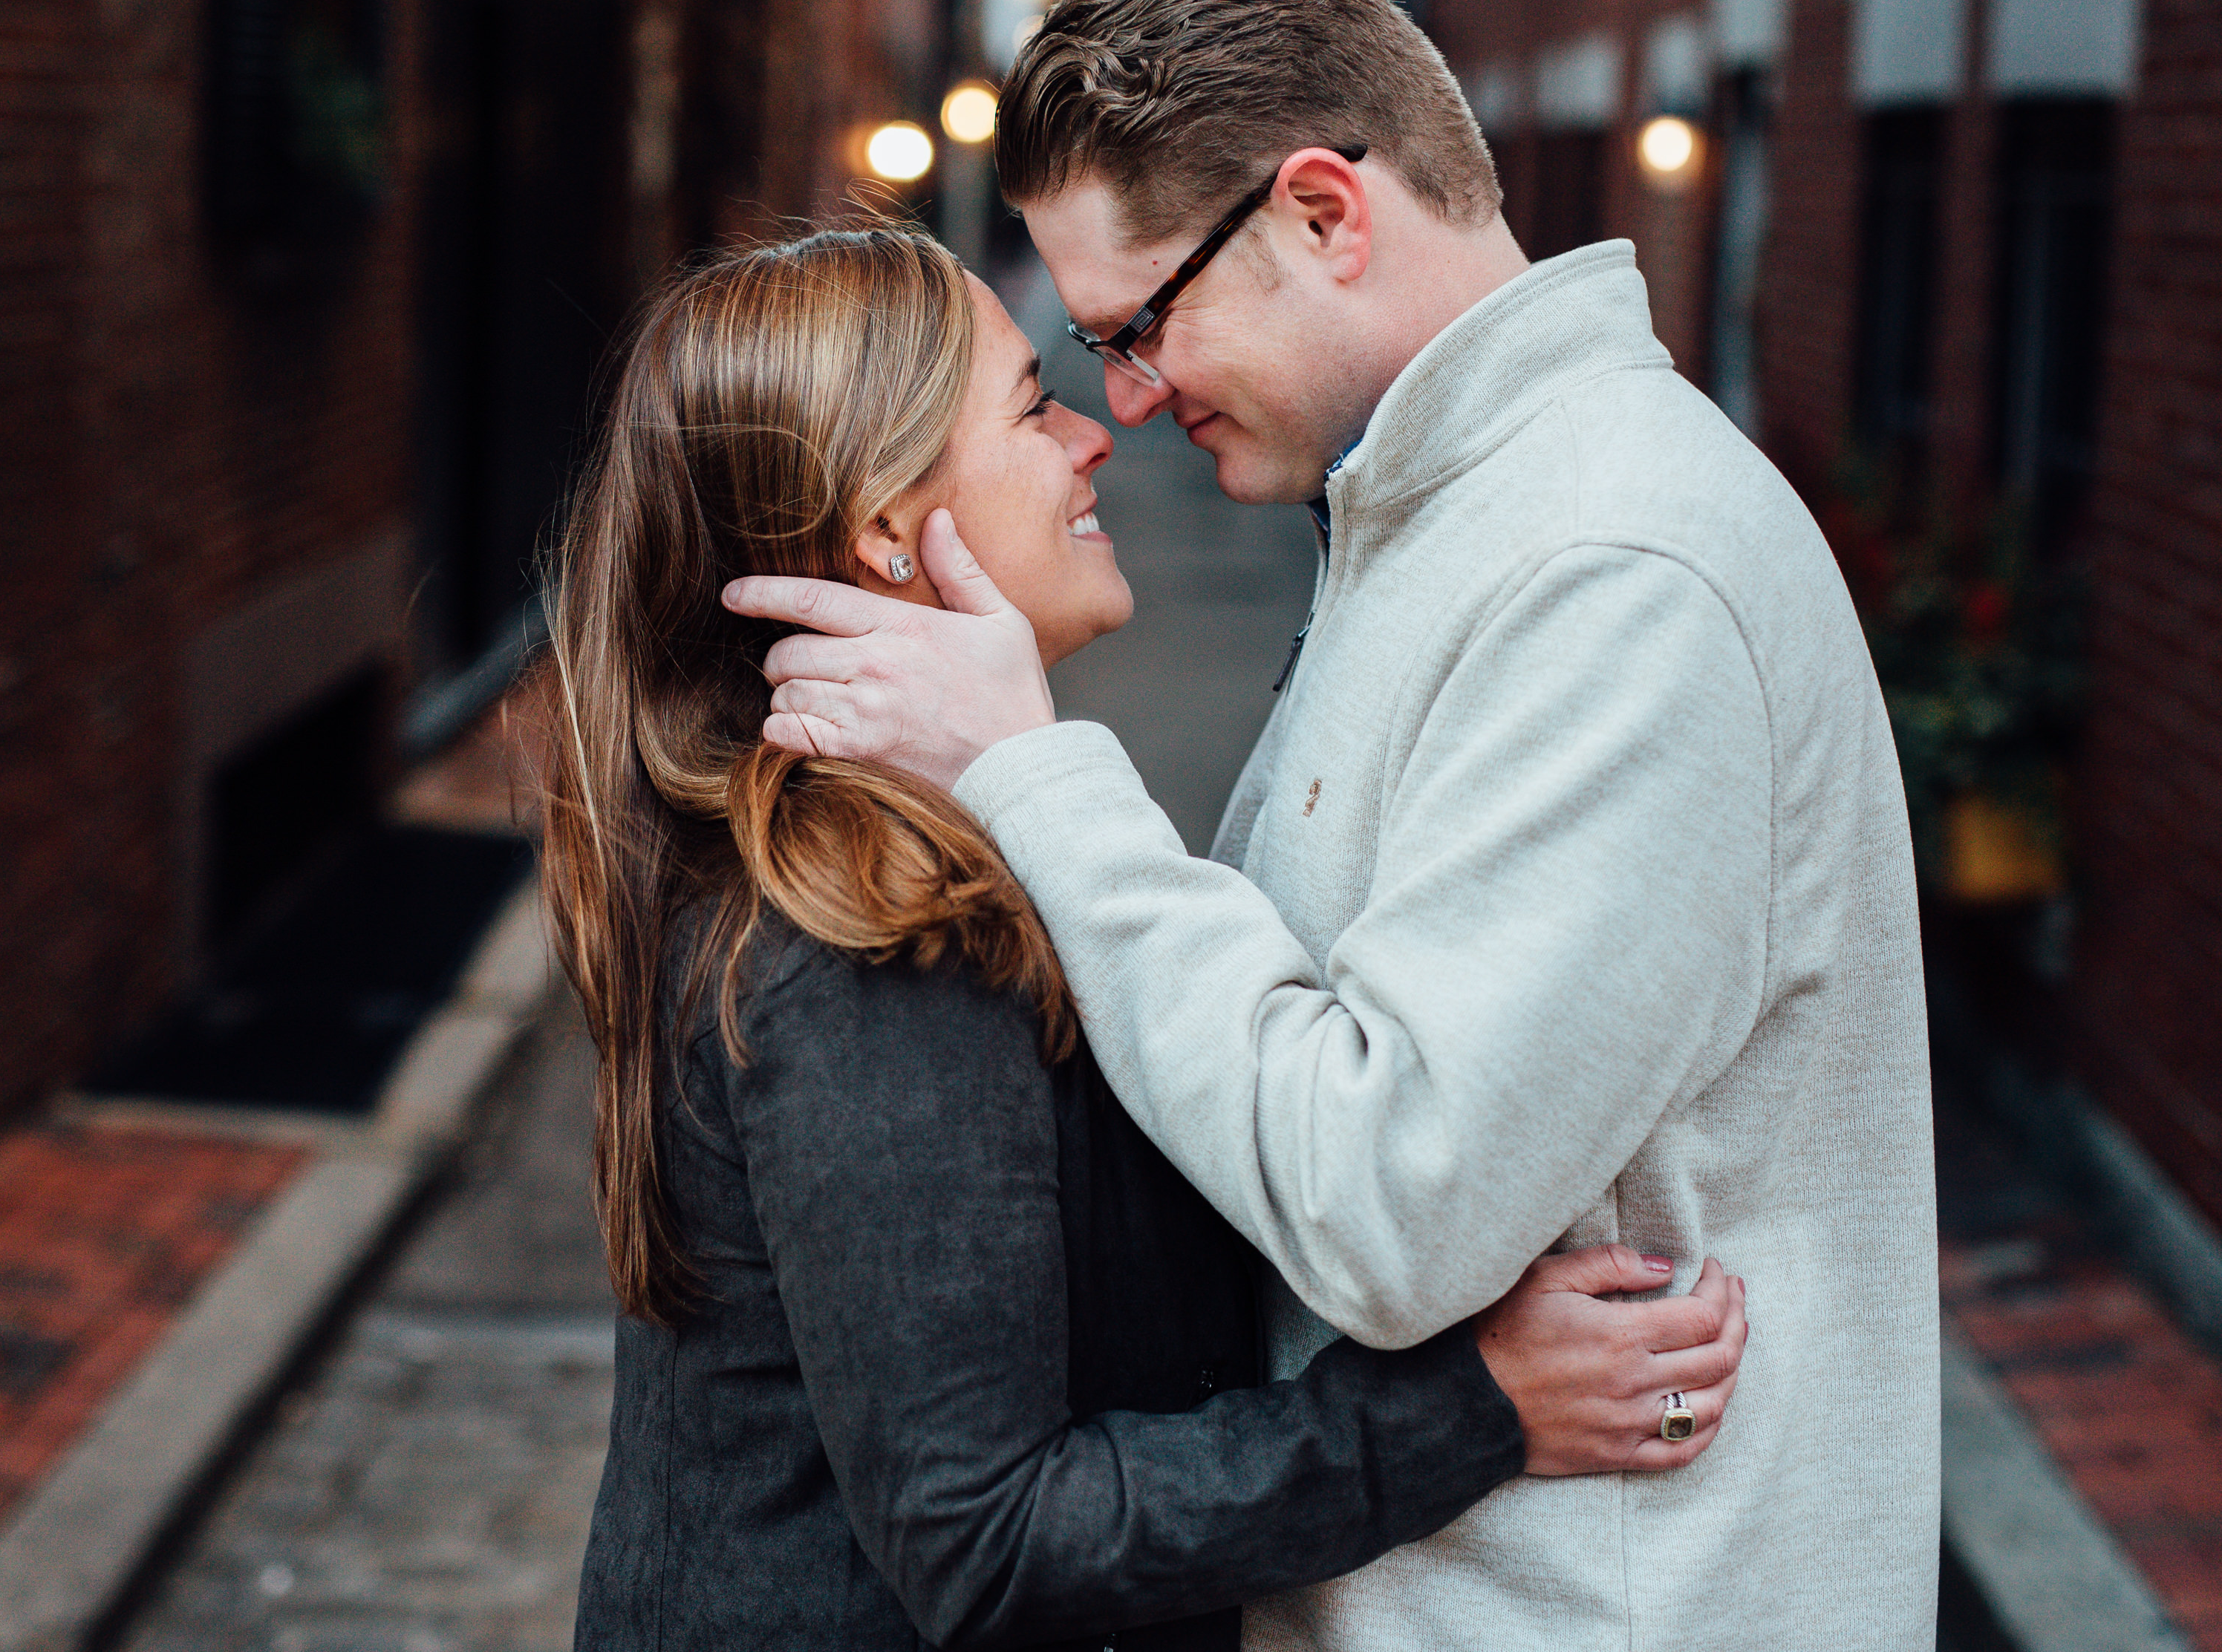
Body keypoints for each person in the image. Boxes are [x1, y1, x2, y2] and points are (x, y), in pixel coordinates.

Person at [723, 0, 1940, 1648]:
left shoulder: (1618, 571)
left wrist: (1032, 777)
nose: (1126, 404)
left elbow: (1390, 1205)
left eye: (1138, 326)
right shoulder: (1444, 516)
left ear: (1319, 212)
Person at [540, 226, 1750, 1652]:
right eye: (1028, 404)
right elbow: (987, 1538)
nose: (1091, 438)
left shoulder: (914, 849)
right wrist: (1473, 1411)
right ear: (882, 530)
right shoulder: (868, 935)